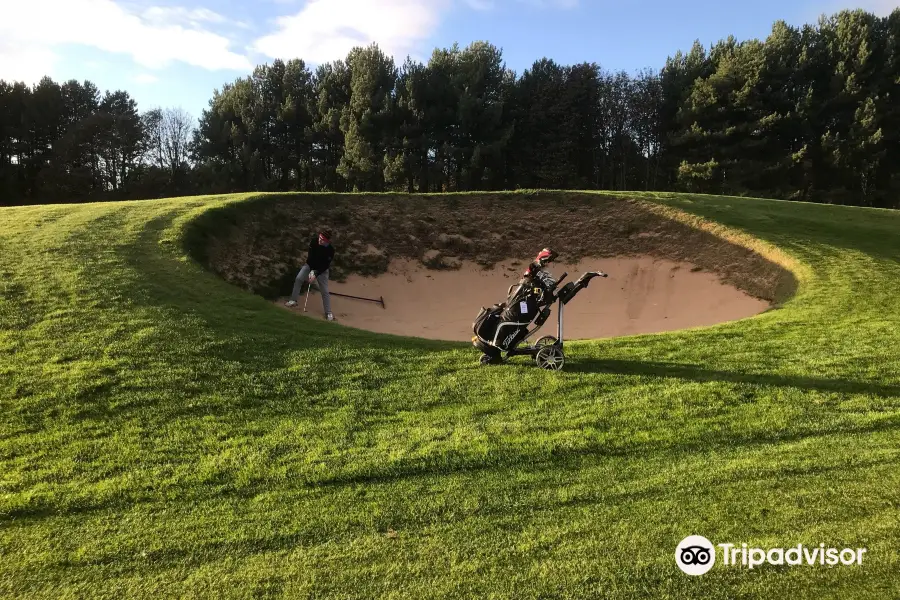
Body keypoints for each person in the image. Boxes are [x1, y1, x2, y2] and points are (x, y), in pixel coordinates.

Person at [286, 230, 336, 321]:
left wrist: (316, 273)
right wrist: (312, 271)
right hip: (310, 265)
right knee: (298, 279)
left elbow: (325, 265)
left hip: (322, 270)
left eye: (323, 240)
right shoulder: (314, 241)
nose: (320, 241)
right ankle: (293, 300)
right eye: (320, 238)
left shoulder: (330, 250)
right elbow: (310, 257)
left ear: (327, 241)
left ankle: (328, 312)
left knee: (324, 290)